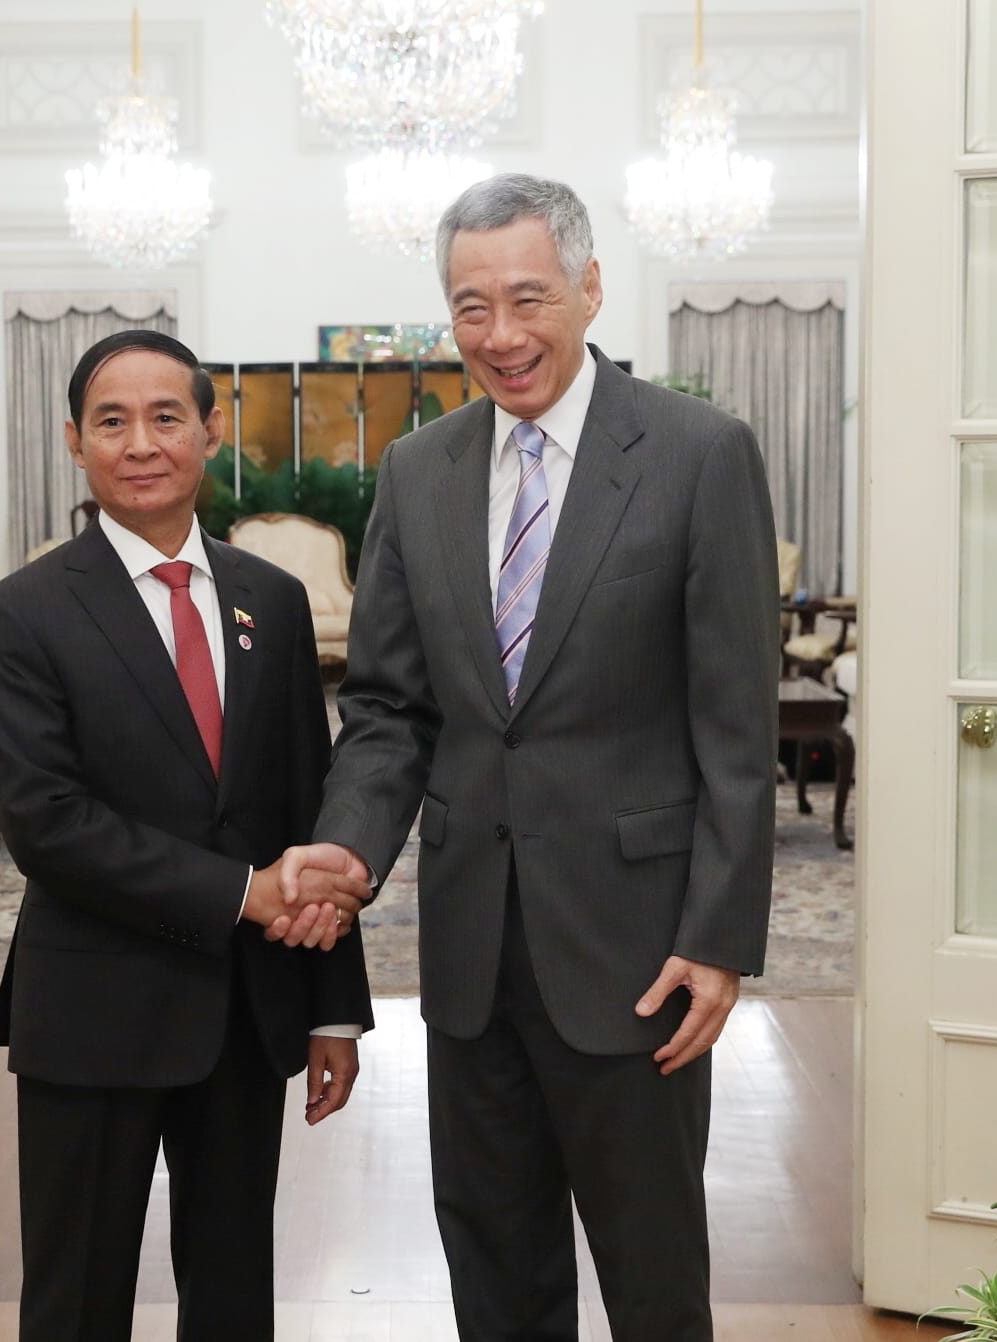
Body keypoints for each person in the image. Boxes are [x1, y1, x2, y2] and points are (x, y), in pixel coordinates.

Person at [280, 174, 781, 1340]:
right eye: (470, 308)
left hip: (637, 951)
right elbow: (391, 708)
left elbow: (735, 725)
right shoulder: (419, 470)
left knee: (654, 1279)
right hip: (470, 954)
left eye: (527, 298)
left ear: (590, 288)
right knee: (495, 1271)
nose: (500, 337)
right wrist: (349, 847)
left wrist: (717, 937)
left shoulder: (701, 454)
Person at [0, 329, 375, 1342]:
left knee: (236, 1293)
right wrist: (244, 892)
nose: (140, 442)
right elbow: (46, 824)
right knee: (76, 1300)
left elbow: (307, 808)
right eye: (112, 421)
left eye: (166, 417)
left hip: (246, 1011)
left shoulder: (270, 601)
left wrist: (333, 1008)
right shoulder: (22, 614)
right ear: (76, 440)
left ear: (209, 431)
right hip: (93, 1010)